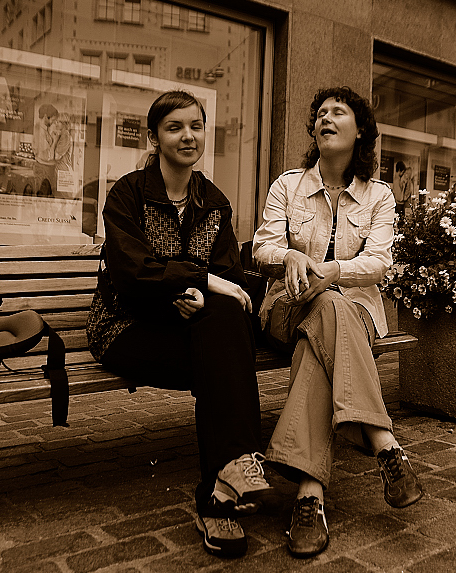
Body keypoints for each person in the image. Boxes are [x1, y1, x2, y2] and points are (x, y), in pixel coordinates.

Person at [86, 90, 277, 559]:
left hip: (193, 326)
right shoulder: (128, 194)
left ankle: (225, 484)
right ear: (154, 137)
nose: (187, 136)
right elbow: (131, 274)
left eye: (196, 126)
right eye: (174, 127)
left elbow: (231, 279)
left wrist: (202, 295)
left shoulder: (213, 201)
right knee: (221, 361)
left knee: (226, 321)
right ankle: (228, 479)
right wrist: (197, 282)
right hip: (126, 327)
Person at [253, 86, 423, 558]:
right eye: (320, 113)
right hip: (287, 306)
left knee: (327, 319)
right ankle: (383, 441)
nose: (325, 118)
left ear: (361, 130)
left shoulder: (379, 196)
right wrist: (288, 255)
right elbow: (261, 247)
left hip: (354, 309)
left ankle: (309, 494)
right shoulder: (287, 186)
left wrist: (334, 272)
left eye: (338, 112)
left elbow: (379, 262)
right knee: (327, 309)